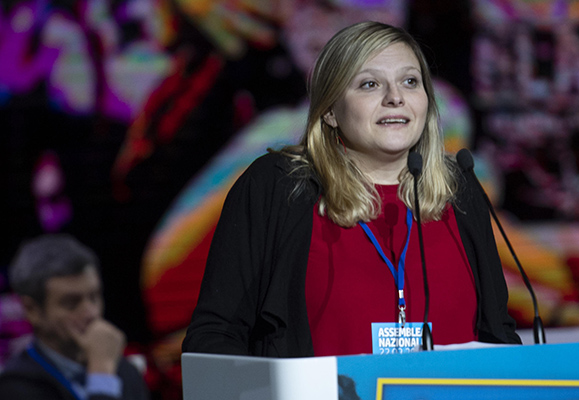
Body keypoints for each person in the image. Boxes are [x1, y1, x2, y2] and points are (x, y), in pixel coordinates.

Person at [182, 21, 521, 358]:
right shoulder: (279, 187)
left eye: (410, 81)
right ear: (329, 110)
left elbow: (499, 335)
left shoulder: (458, 189)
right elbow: (216, 336)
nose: (395, 98)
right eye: (370, 84)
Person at [0, 234, 150, 400]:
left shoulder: (124, 371)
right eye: (71, 303)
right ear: (32, 310)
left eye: (94, 297)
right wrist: (102, 374)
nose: (91, 313)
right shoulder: (14, 388)